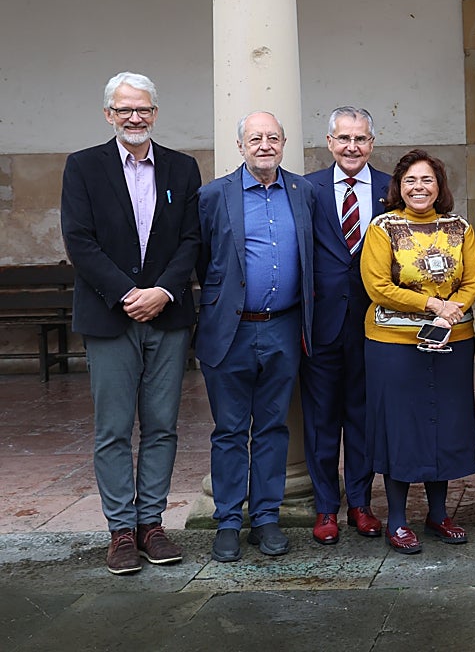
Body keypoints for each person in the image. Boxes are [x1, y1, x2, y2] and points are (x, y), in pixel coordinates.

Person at [60, 72, 201, 575]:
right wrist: (127, 293)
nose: (134, 117)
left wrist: (162, 291)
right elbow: (79, 240)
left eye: (143, 109)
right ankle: (121, 530)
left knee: (162, 426)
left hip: (167, 315)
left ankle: (151, 525)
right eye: (125, 110)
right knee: (114, 428)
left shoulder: (182, 168)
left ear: (155, 113)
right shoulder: (83, 166)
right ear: (109, 115)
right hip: (109, 316)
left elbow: (192, 239)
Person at [195, 111, 315, 563]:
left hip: (283, 326)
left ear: (283, 143)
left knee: (272, 427)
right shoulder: (213, 195)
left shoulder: (303, 192)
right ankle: (228, 520)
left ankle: (266, 517)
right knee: (229, 429)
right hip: (231, 330)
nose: (265, 145)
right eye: (255, 138)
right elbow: (202, 259)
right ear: (240, 146)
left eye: (273, 138)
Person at [360, 149, 475, 554]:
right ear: (399, 186)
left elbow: (473, 279)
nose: (419, 187)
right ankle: (396, 519)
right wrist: (432, 305)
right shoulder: (383, 228)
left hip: (452, 341)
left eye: (427, 180)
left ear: (439, 186)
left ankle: (438, 514)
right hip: (393, 345)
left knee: (443, 425)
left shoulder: (460, 227)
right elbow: (378, 286)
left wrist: (451, 312)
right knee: (401, 429)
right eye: (410, 180)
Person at [301, 106, 388, 545]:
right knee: (321, 420)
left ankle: (360, 503)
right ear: (330, 142)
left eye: (360, 139)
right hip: (322, 323)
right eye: (344, 138)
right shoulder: (306, 189)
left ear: (372, 143)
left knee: (362, 417)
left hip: (375, 323)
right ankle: (324, 507)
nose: (352, 147)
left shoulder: (393, 188)